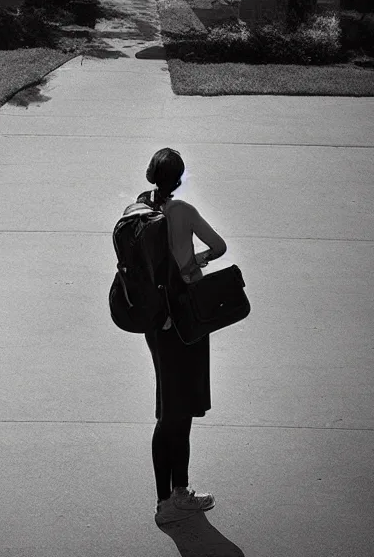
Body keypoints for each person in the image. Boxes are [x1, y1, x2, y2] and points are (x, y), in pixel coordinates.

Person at [138, 147, 227, 526]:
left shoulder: (140, 211)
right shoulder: (182, 212)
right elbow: (219, 246)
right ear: (179, 179)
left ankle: (176, 494)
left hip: (155, 320)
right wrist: (195, 262)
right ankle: (169, 501)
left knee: (170, 404)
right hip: (186, 317)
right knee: (178, 411)